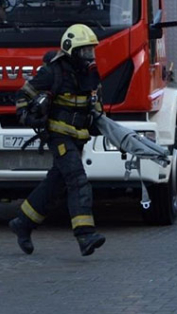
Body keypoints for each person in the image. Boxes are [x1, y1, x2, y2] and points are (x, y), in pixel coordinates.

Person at [8, 24, 106, 256]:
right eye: (84, 51)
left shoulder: (90, 72)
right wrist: (26, 114)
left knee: (55, 185)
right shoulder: (53, 72)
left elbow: (96, 100)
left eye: (91, 51)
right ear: (70, 49)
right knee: (77, 180)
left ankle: (23, 223)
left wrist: (100, 122)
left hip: (78, 137)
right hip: (59, 135)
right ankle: (85, 235)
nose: (89, 56)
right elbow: (23, 95)